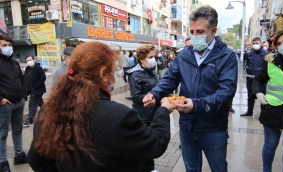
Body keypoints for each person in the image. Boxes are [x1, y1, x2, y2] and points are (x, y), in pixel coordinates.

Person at [27, 42, 174, 172]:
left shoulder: (49, 110)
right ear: (103, 74)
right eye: (113, 69)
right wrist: (163, 110)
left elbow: (37, 160)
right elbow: (155, 144)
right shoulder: (119, 116)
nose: (114, 74)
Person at [143, 6, 238, 171]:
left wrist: (196, 105)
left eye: (200, 31)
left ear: (213, 31)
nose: (194, 36)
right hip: (187, 126)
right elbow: (170, 79)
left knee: (218, 167)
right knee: (192, 168)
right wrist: (154, 94)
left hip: (213, 127)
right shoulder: (184, 55)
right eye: (192, 32)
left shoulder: (226, 57)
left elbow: (226, 91)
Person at [252, 29, 283, 172]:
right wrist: (259, 93)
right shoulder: (271, 62)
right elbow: (258, 80)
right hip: (273, 110)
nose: (282, 45)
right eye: (279, 43)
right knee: (270, 145)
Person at [126, 44, 160, 171]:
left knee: (150, 145)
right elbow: (135, 96)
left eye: (154, 56)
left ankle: (150, 168)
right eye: (150, 57)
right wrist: (153, 97)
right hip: (143, 116)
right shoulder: (136, 74)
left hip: (153, 113)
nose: (153, 59)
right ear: (141, 59)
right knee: (144, 146)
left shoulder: (151, 70)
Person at [0, 35, 28, 172]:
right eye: (3, 45)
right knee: (2, 134)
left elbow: (22, 79)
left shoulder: (14, 62)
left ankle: (19, 155)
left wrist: (24, 95)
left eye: (9, 45)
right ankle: (3, 162)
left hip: (19, 102)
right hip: (5, 104)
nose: (7, 48)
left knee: (18, 130)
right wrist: (1, 100)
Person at [240, 37, 268, 116]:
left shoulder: (265, 53)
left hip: (260, 79)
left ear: (261, 43)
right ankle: (249, 111)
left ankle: (263, 113)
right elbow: (247, 63)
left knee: (262, 96)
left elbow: (267, 67)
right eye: (254, 43)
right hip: (250, 78)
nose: (255, 45)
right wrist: (247, 68)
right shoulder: (249, 54)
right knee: (250, 96)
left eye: (257, 43)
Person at [23, 56, 46, 127]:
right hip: (30, 90)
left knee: (32, 105)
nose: (29, 62)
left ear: (33, 60)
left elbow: (43, 77)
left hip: (37, 90)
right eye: (27, 61)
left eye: (30, 60)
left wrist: (36, 85)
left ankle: (30, 121)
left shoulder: (38, 68)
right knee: (41, 103)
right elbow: (25, 78)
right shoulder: (27, 69)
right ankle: (49, 110)